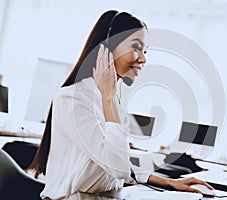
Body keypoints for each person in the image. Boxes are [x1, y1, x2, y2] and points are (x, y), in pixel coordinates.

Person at [28, 10, 213, 199]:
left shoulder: (111, 98)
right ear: (106, 48)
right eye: (136, 47)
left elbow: (119, 161)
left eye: (145, 51)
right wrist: (108, 98)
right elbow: (117, 166)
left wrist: (167, 182)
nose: (143, 59)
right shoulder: (72, 99)